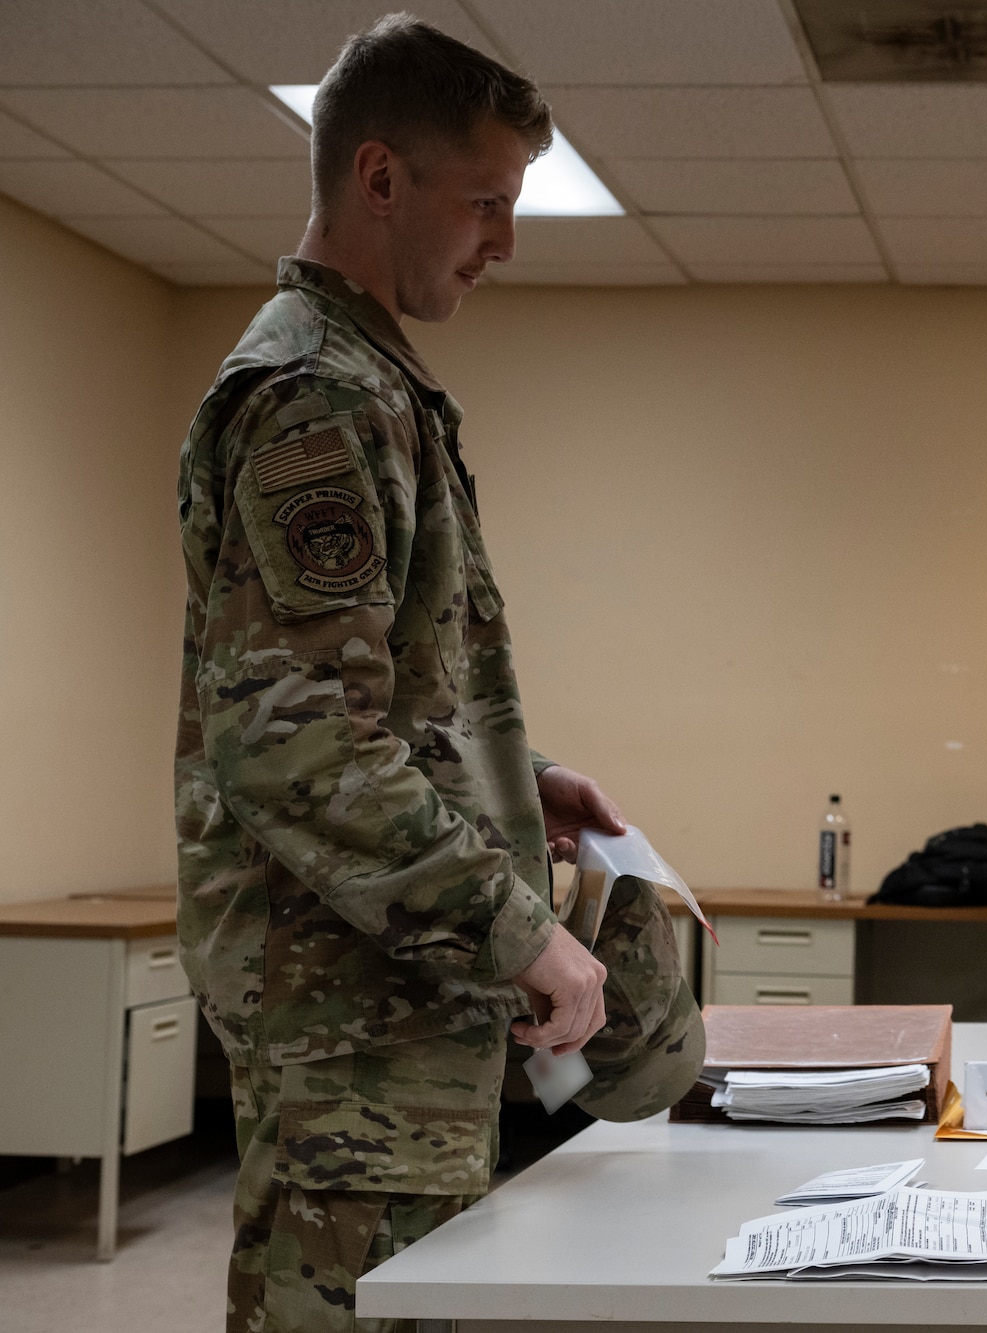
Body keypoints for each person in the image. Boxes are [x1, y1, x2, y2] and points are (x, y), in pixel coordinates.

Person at [174, 17, 661, 1331]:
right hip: (347, 1012)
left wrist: (521, 783)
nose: (504, 241)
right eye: (487, 202)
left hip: (388, 993)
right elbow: (299, 749)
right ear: (380, 179)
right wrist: (519, 926)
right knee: (348, 1307)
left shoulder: (373, 383)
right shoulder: (312, 398)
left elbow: (385, 697)